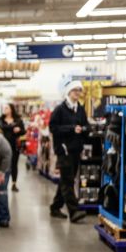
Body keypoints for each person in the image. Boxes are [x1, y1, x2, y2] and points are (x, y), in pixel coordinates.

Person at [49, 80, 89, 223]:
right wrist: (72, 128)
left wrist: (84, 130)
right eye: (75, 90)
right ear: (69, 92)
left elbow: (85, 125)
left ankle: (55, 207)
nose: (77, 93)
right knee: (67, 181)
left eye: (79, 90)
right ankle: (74, 211)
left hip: (76, 150)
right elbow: (53, 127)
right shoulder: (60, 109)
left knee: (66, 180)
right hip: (64, 150)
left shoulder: (80, 109)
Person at [0, 102, 25, 191]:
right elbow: (0, 128)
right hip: (2, 146)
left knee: (14, 164)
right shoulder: (0, 120)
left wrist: (19, 130)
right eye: (4, 108)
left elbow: (23, 131)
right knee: (2, 165)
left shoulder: (18, 120)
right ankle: (2, 182)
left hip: (14, 146)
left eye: (6, 108)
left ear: (11, 109)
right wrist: (12, 127)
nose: (4, 109)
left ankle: (14, 184)